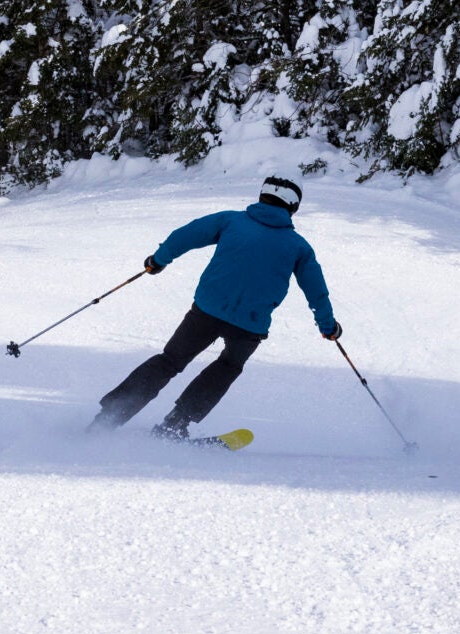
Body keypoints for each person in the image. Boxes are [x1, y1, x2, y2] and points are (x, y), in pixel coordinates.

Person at [92, 175, 339, 439]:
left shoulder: (231, 221)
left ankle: (110, 417)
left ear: (262, 195)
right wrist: (328, 327)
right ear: (293, 206)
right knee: (229, 365)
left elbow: (186, 235)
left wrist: (158, 260)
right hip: (249, 324)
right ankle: (176, 423)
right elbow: (317, 292)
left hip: (207, 311)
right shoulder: (298, 247)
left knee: (170, 361)